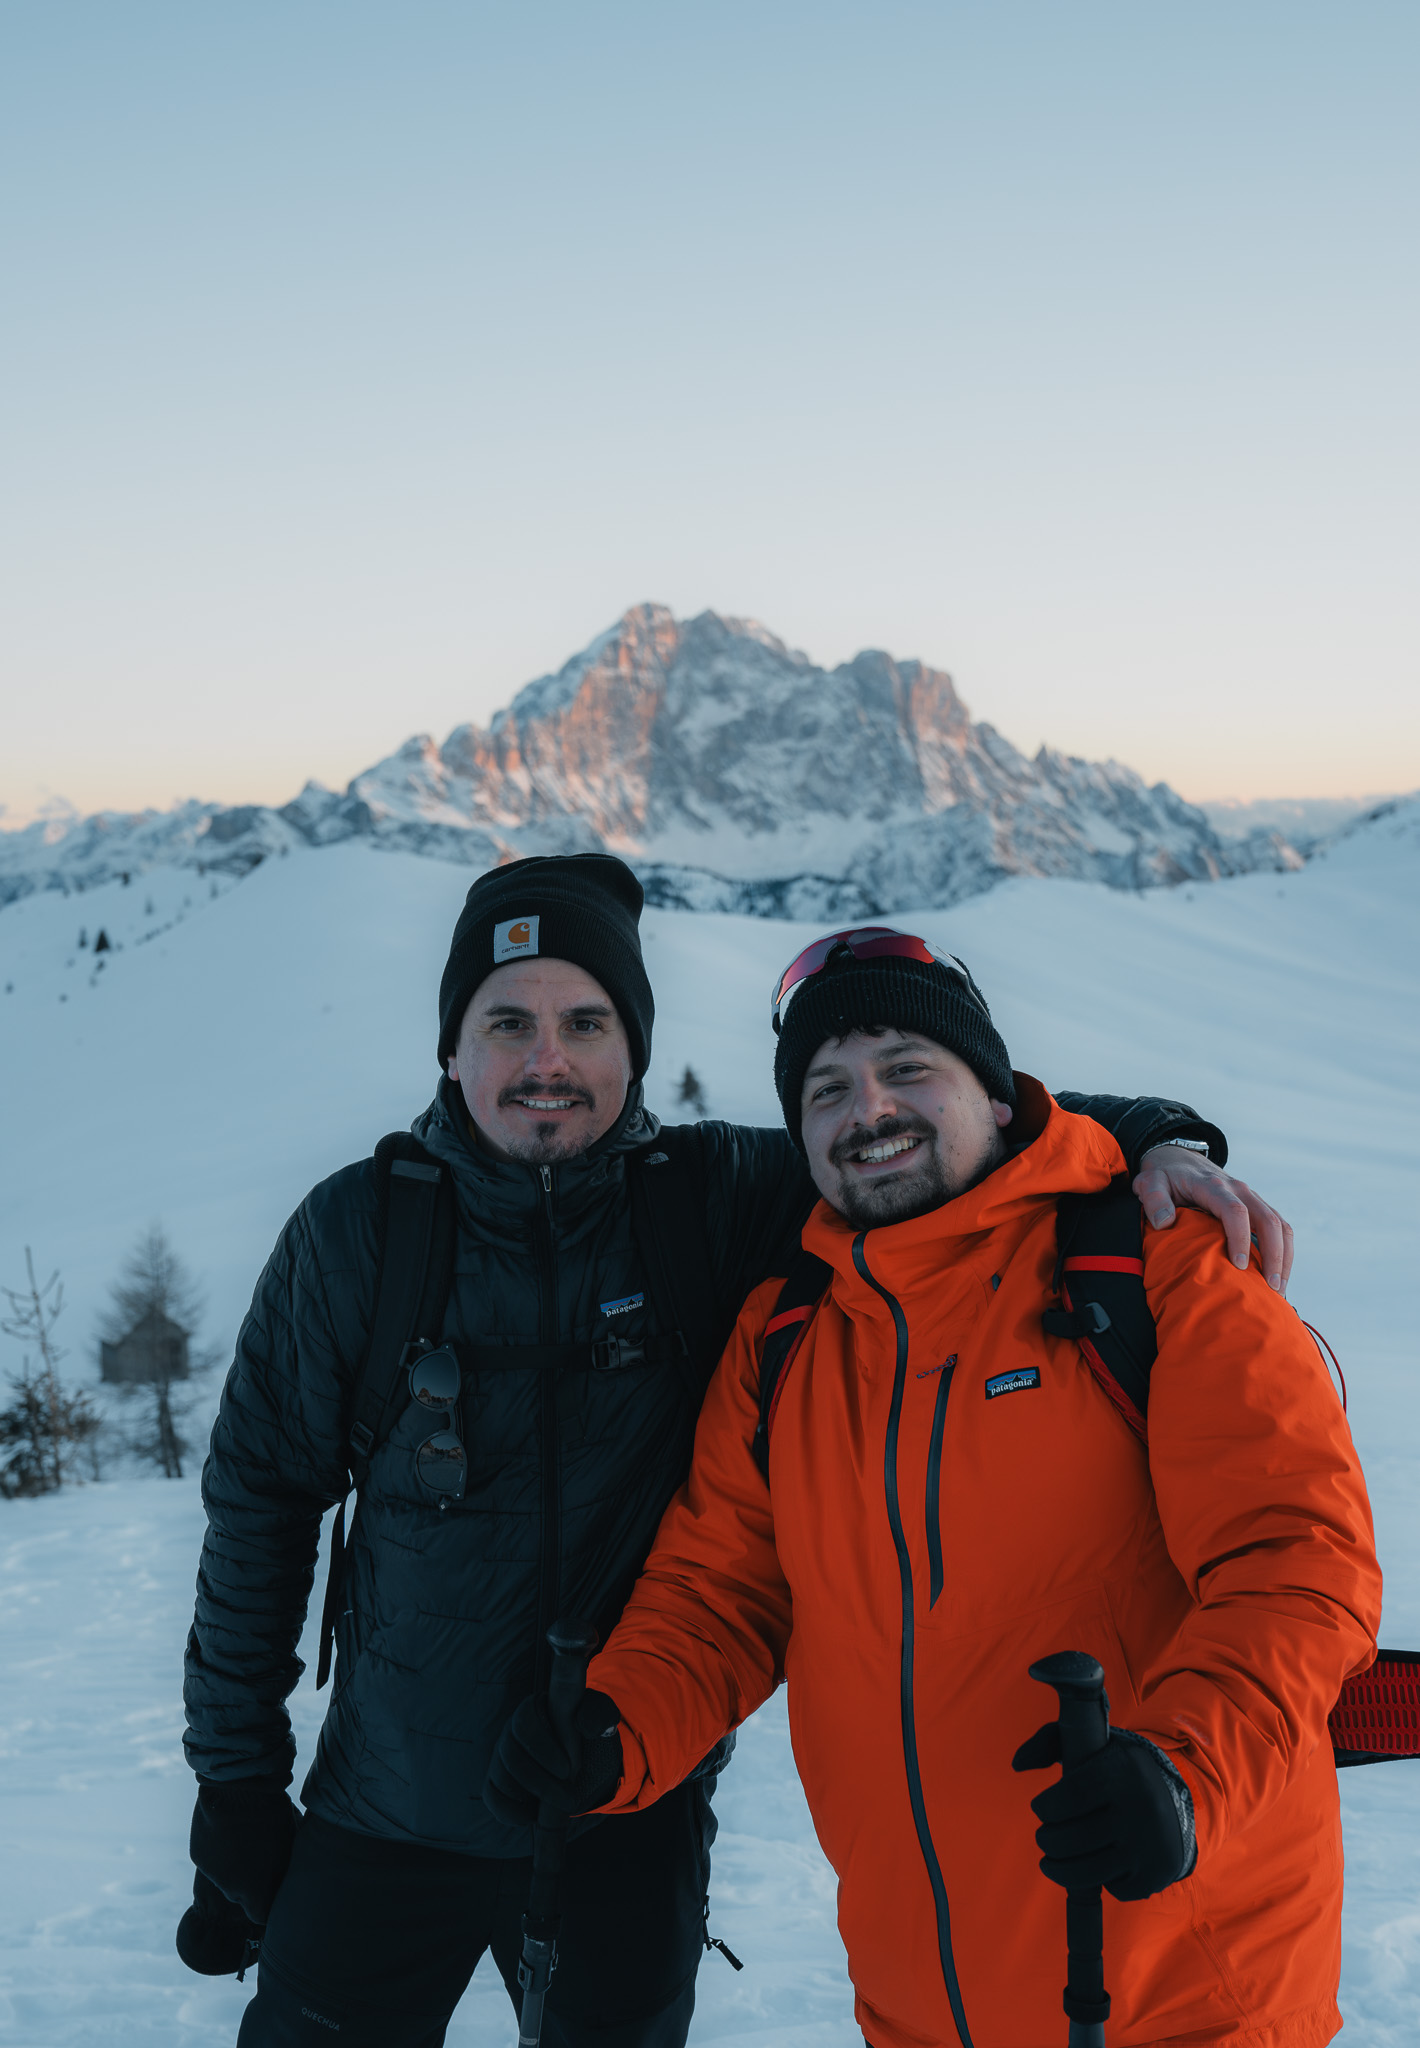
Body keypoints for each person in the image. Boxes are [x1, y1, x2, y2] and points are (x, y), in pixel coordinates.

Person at [179, 859, 1292, 2048]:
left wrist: (1153, 1139)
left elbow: (945, 1128)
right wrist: (236, 1779)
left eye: (585, 1022)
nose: (546, 1059)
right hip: (386, 1808)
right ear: (451, 1048)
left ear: (633, 1047)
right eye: (506, 1022)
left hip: (627, 1797)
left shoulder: (709, 1195)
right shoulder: (359, 1229)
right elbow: (261, 1507)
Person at [487, 924, 1379, 2048]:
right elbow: (719, 1598)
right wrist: (615, 1730)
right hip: (915, 2001)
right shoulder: (786, 1337)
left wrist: (1182, 1771)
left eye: (908, 1067)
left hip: (1183, 1992)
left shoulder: (1157, 1266)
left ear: (997, 1097)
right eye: (826, 1089)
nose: (869, 1110)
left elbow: (1295, 1563)